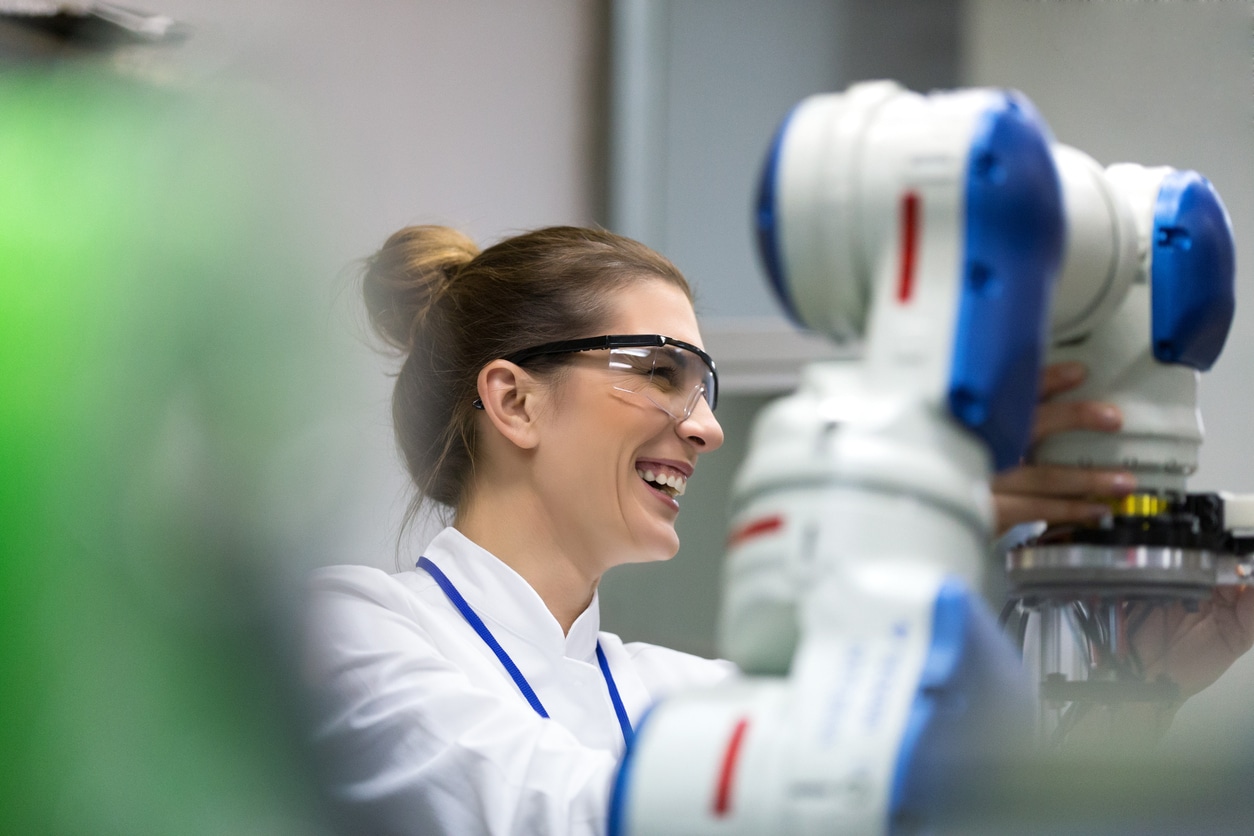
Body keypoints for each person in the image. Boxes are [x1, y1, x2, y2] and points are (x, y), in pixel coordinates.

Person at [303, 224, 1253, 835]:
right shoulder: (351, 633)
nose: (706, 425)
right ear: (513, 399)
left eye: (705, 387)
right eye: (661, 370)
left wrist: (1138, 685)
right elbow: (553, 813)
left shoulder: (670, 691)